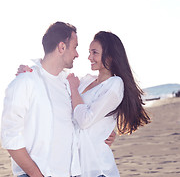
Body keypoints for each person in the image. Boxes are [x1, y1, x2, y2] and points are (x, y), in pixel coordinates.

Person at [1, 21, 115, 177]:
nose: (77, 54)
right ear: (62, 47)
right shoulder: (25, 81)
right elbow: (10, 136)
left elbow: (81, 117)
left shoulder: (69, 84)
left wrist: (104, 131)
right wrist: (35, 174)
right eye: (75, 47)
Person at [66, 31, 150, 177]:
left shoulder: (114, 84)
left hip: (97, 169)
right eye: (89, 52)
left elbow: (85, 120)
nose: (89, 57)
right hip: (75, 167)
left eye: (94, 52)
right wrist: (29, 71)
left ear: (110, 57)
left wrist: (74, 89)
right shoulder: (85, 80)